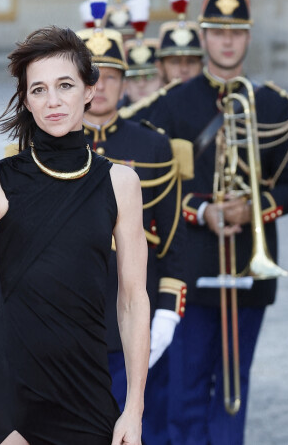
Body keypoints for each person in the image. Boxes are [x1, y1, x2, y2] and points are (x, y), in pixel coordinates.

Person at [0, 26, 150, 445]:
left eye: (65, 85)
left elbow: (132, 301)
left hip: (86, 386)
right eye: (38, 90)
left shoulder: (121, 184)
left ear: (90, 89)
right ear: (26, 99)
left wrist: (134, 408)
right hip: (8, 383)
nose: (52, 101)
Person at [150, 0, 288, 445]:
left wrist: (254, 207)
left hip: (248, 264)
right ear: (202, 36)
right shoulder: (173, 105)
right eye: (217, 33)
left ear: (247, 39)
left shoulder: (275, 107)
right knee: (187, 387)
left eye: (235, 34)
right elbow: (158, 186)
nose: (226, 43)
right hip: (190, 266)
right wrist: (202, 209)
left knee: (233, 390)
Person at [77, 22, 187, 445]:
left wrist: (167, 309)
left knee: (144, 423)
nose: (101, 87)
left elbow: (173, 236)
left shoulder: (154, 146)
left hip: (134, 306)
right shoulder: (48, 145)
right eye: (91, 76)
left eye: (111, 77)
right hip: (73, 308)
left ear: (125, 83)